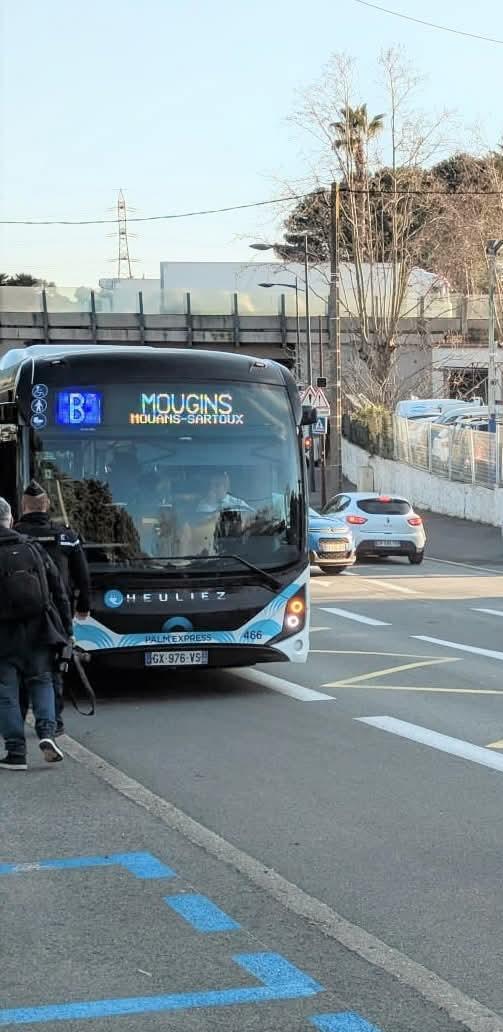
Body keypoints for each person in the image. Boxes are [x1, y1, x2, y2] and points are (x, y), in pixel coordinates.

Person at [0, 497, 73, 770]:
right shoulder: (31, 547)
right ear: (10, 518)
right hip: (39, 629)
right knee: (42, 681)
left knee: (6, 692)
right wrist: (66, 629)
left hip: (3, 636)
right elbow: (58, 590)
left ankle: (16, 752)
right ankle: (47, 734)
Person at [15, 480, 91, 735]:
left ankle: (19, 717)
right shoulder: (67, 537)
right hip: (58, 611)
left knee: (21, 664)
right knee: (55, 664)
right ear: (46, 505)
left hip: (20, 612)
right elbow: (83, 576)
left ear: (23, 506)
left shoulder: (15, 536)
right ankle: (54, 722)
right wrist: (83, 607)